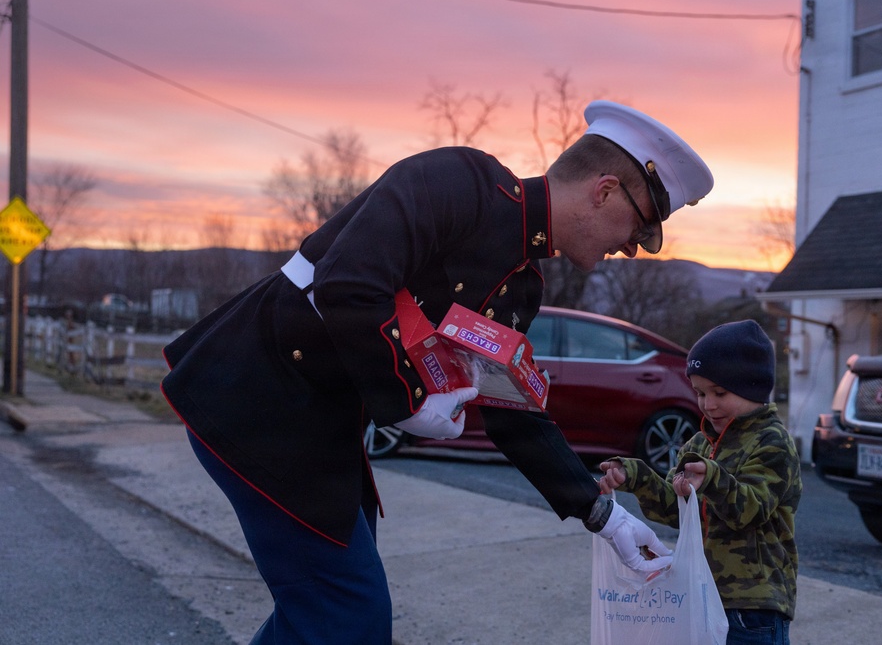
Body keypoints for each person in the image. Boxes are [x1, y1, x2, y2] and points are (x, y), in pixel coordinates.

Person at [160, 100, 714, 644]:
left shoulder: (522, 287)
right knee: (348, 614)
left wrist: (605, 519)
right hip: (257, 398)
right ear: (604, 191)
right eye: (642, 227)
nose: (634, 249)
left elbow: (511, 413)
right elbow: (347, 285)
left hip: (318, 427)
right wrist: (408, 403)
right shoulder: (459, 184)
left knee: (328, 617)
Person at [598, 319, 802, 645]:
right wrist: (636, 477)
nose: (708, 404)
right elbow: (672, 510)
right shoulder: (697, 445)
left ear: (752, 386)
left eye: (719, 392)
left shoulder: (772, 443)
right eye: (700, 393)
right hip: (700, 594)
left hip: (753, 606)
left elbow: (750, 509)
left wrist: (713, 480)